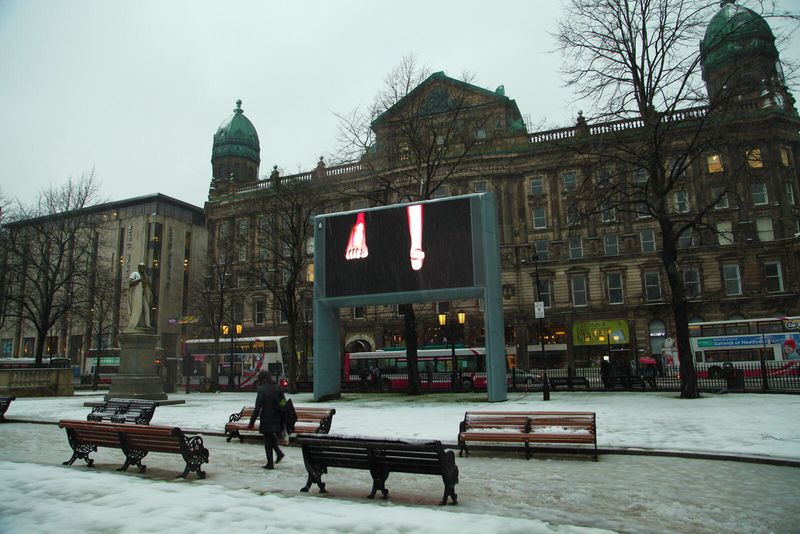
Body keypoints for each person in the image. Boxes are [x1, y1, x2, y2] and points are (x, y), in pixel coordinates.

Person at [248, 371, 285, 469]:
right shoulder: (277, 387)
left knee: (267, 440)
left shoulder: (262, 389)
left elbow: (257, 407)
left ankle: (270, 463)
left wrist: (252, 422)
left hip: (267, 418)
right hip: (277, 417)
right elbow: (283, 402)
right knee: (270, 437)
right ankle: (279, 453)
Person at [126, 262, 152, 331]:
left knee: (147, 309)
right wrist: (138, 280)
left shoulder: (145, 276)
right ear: (139, 267)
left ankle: (148, 325)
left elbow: (148, 285)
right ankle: (133, 324)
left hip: (143, 295)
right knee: (138, 309)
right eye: (141, 267)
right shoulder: (135, 274)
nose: (142, 268)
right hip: (137, 295)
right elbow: (130, 283)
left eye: (143, 267)